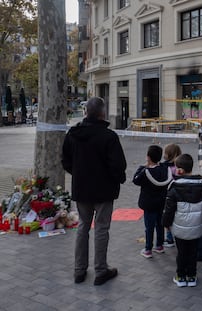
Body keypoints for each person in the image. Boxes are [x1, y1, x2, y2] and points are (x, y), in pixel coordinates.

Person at [62, 96, 127, 286]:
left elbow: (65, 160)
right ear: (102, 113)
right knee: (101, 228)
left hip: (82, 188)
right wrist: (117, 179)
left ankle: (79, 270)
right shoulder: (109, 136)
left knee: (83, 225)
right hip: (104, 190)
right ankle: (101, 270)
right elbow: (118, 165)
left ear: (85, 112)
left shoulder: (73, 134)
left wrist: (78, 173)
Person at [162, 154, 202, 287]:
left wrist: (166, 224)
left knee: (181, 252)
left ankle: (181, 276)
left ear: (181, 170)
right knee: (193, 252)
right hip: (197, 225)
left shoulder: (174, 187)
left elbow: (169, 209)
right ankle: (192, 276)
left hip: (180, 227)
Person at [133, 145, 173, 259]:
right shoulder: (165, 170)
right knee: (160, 224)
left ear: (148, 157)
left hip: (149, 204)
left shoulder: (146, 172)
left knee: (149, 227)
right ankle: (159, 246)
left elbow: (135, 180)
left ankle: (148, 249)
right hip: (161, 203)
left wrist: (143, 166)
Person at [160, 143, 182, 247]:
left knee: (167, 216)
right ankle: (176, 236)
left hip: (166, 195)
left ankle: (169, 239)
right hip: (178, 195)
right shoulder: (180, 166)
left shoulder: (163, 166)